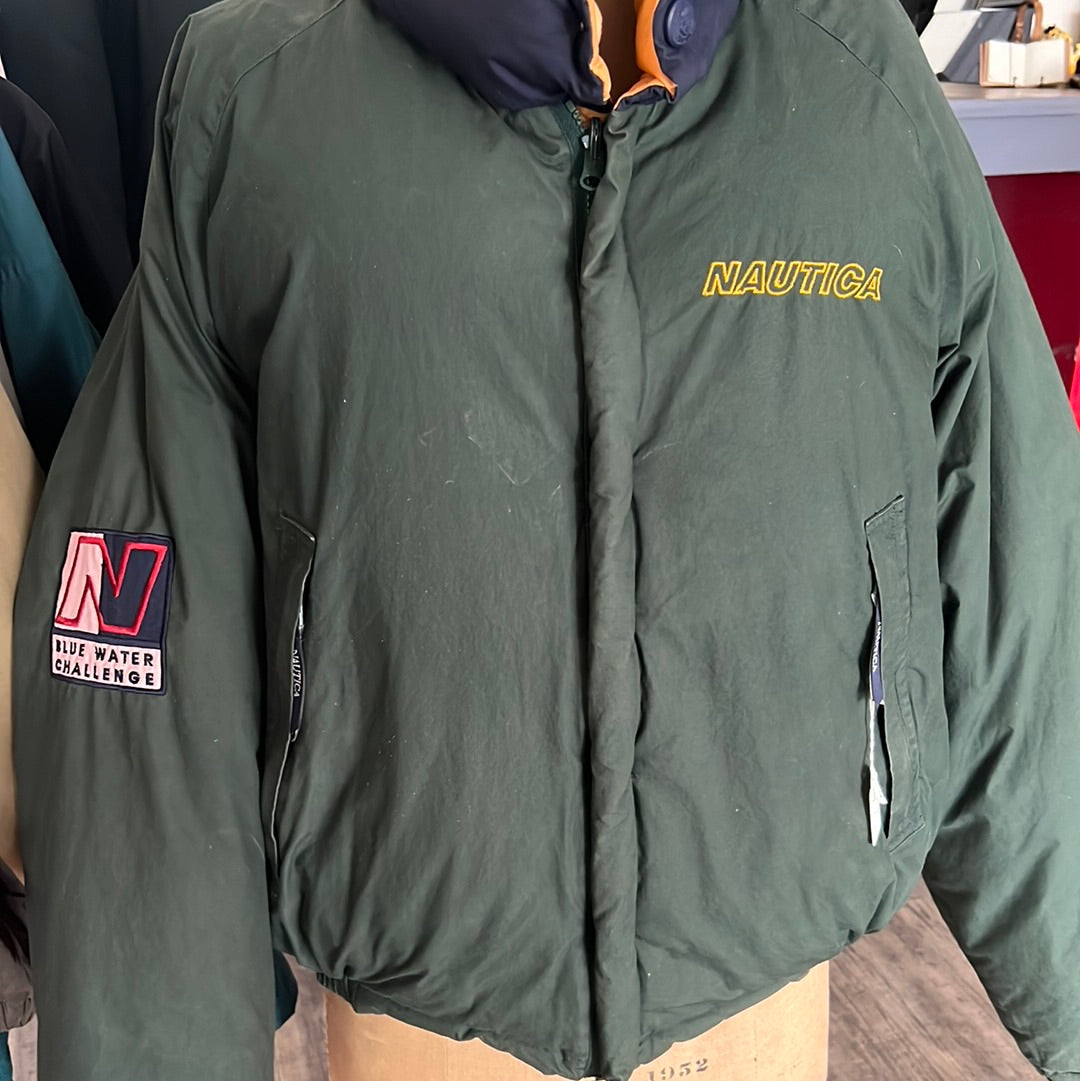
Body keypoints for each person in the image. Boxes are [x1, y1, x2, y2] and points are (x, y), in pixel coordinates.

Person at [11, 2, 1080, 1081]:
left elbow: (1020, 564)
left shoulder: (859, 78)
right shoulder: (259, 94)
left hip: (764, 991)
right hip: (421, 1021)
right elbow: (141, 666)